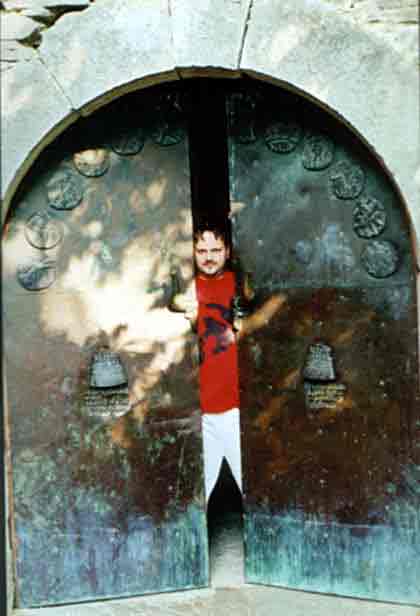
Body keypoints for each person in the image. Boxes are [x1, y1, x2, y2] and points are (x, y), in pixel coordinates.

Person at [169, 225, 245, 504]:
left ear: (227, 251)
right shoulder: (190, 290)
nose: (209, 257)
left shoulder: (237, 284)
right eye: (202, 251)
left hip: (236, 406)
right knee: (195, 495)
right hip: (199, 408)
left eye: (215, 250)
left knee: (250, 485)